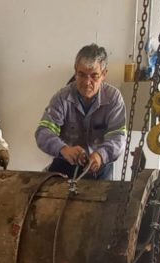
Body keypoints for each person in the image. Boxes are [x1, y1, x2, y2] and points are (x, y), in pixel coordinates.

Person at [35, 44, 126, 180]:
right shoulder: (62, 98)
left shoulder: (113, 98)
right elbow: (43, 132)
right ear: (75, 71)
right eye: (81, 75)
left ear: (104, 74)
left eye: (94, 76)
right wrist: (63, 149)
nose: (86, 82)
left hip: (99, 165)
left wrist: (101, 155)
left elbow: (118, 137)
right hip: (66, 162)